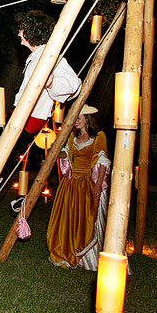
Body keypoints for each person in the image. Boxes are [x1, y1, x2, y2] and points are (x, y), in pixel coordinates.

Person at [46, 105, 110, 270]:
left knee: (85, 218)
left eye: (79, 117)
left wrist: (98, 183)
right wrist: (54, 151)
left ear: (87, 119)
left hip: (88, 182)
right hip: (71, 183)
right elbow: (66, 154)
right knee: (67, 216)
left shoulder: (98, 136)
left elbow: (102, 160)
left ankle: (83, 254)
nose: (76, 121)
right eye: (75, 118)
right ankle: (66, 249)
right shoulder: (71, 138)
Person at [14, 11, 81, 133]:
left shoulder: (49, 55)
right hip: (21, 114)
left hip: (30, 118)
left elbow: (74, 84)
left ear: (31, 31)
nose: (19, 33)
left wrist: (52, 84)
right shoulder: (36, 56)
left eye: (22, 29)